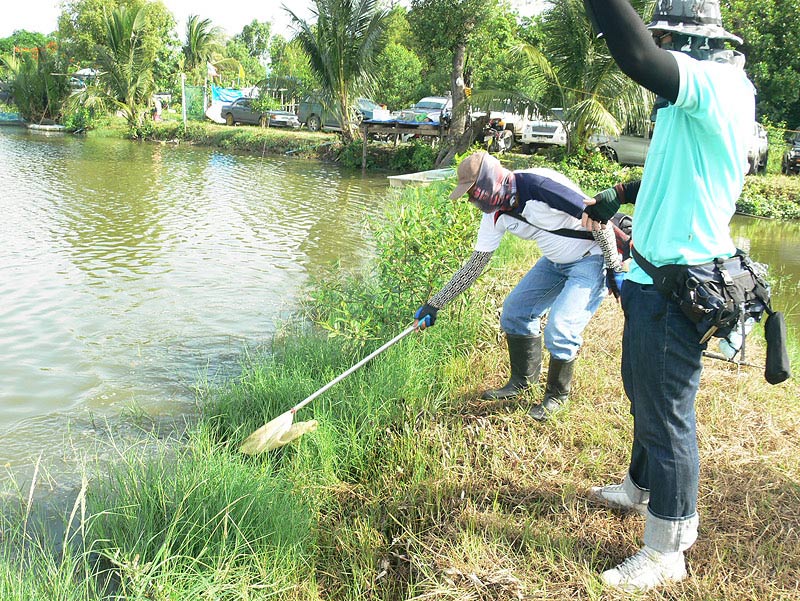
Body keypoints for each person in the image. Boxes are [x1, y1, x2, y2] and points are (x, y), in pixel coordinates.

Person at [580, 0, 755, 591]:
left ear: (693, 41)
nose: (658, 46)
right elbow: (673, 168)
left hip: (680, 282)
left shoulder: (717, 83)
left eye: (665, 38)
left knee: (668, 414)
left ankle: (667, 548)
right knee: (644, 392)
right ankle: (641, 485)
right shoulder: (693, 103)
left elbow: (636, 57)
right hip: (651, 277)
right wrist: (619, 194)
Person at [413, 151, 621, 421]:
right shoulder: (495, 215)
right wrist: (435, 304)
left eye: (474, 192)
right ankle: (523, 381)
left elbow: (599, 220)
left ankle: (557, 396)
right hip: (554, 262)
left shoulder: (539, 185)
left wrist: (614, 268)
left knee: (561, 328)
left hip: (590, 259)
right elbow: (475, 265)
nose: (473, 200)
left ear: (489, 182)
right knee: (515, 312)